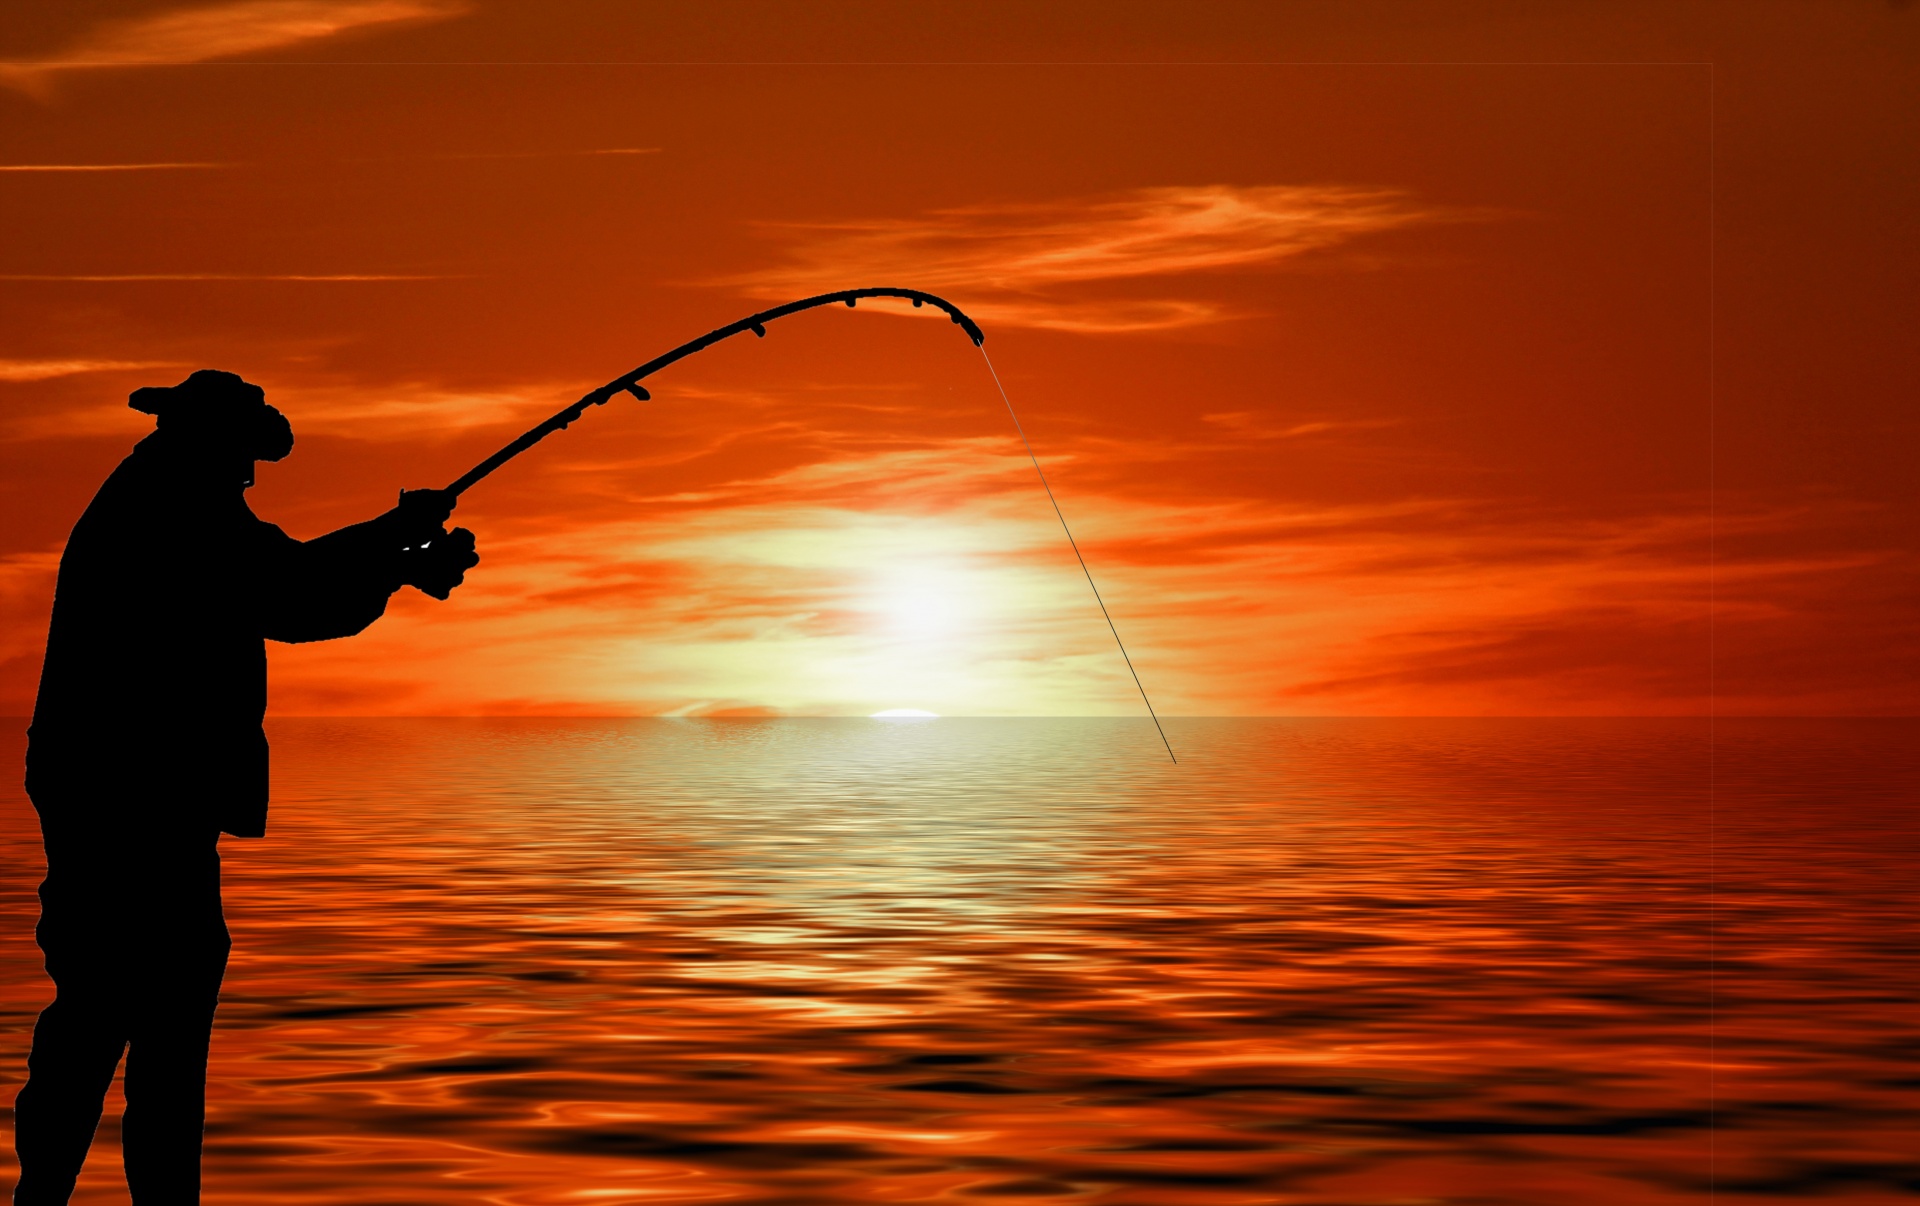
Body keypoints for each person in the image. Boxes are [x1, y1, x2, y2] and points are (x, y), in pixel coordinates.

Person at [11, 369, 480, 1206]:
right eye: (244, 456)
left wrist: (396, 554)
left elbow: (287, 582)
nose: (250, 474)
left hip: (130, 794)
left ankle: (76, 1198)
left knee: (123, 1008)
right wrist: (397, 548)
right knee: (131, 1012)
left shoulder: (165, 494)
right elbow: (291, 593)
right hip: (135, 799)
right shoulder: (175, 505)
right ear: (211, 441)